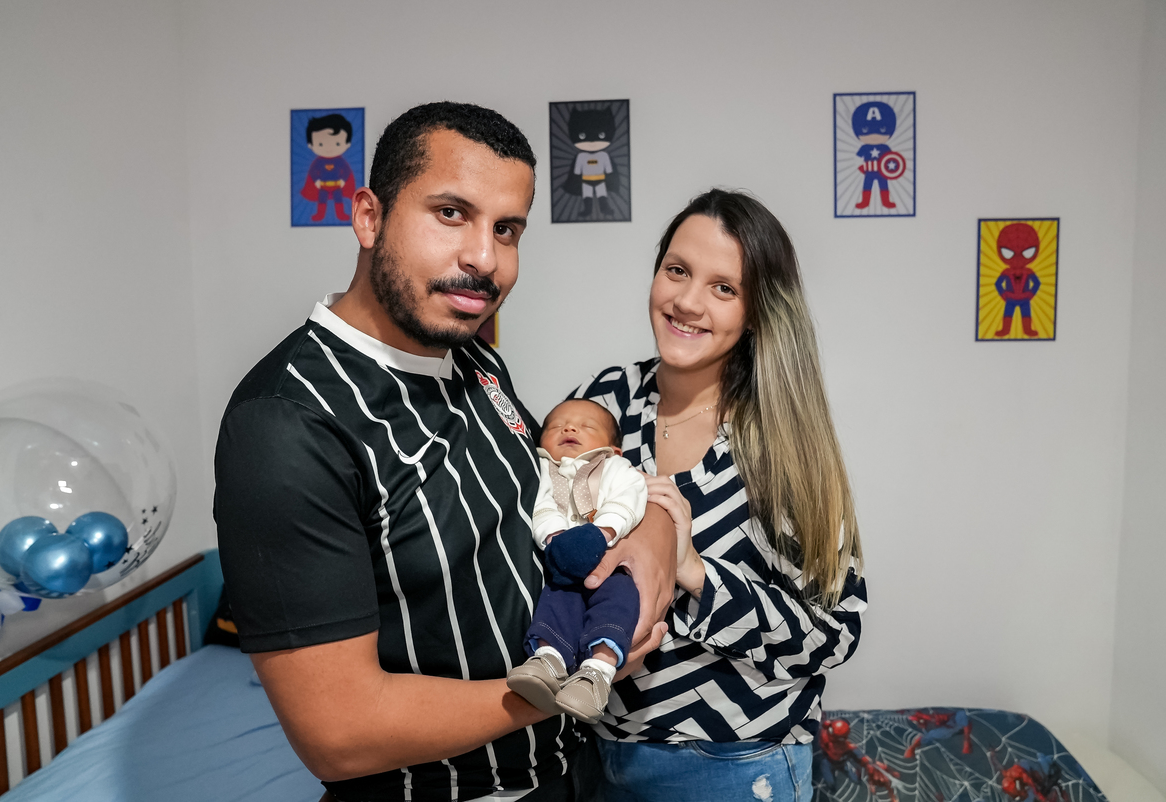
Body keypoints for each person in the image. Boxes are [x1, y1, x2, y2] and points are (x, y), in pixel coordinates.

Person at [213, 102, 675, 802]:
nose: (484, 259)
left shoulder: (475, 362)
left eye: (506, 229)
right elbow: (338, 733)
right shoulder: (288, 423)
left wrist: (653, 533)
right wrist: (565, 688)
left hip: (563, 776)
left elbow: (562, 488)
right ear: (369, 218)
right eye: (451, 214)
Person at [572, 188, 868, 802]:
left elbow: (835, 631)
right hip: (593, 752)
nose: (687, 302)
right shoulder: (605, 399)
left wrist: (695, 574)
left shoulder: (782, 436)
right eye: (677, 270)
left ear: (757, 310)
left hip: (734, 764)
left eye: (724, 288)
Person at [508, 399, 647, 724]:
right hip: (561, 560)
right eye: (556, 426)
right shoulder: (539, 468)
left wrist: (603, 531)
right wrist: (555, 537)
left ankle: (597, 674)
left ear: (613, 447)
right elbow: (540, 505)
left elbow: (629, 497)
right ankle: (548, 659)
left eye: (587, 426)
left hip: (609, 557)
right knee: (556, 599)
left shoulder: (615, 467)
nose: (569, 428)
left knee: (619, 600)